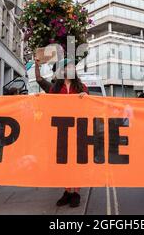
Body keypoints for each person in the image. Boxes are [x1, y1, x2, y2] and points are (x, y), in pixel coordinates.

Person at [48, 59, 88, 208]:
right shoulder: (55, 89)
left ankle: (76, 192)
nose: (69, 69)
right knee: (64, 162)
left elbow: (89, 108)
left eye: (72, 67)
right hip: (61, 130)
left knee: (76, 162)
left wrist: (86, 97)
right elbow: (48, 106)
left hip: (78, 130)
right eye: (67, 67)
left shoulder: (81, 87)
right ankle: (67, 191)